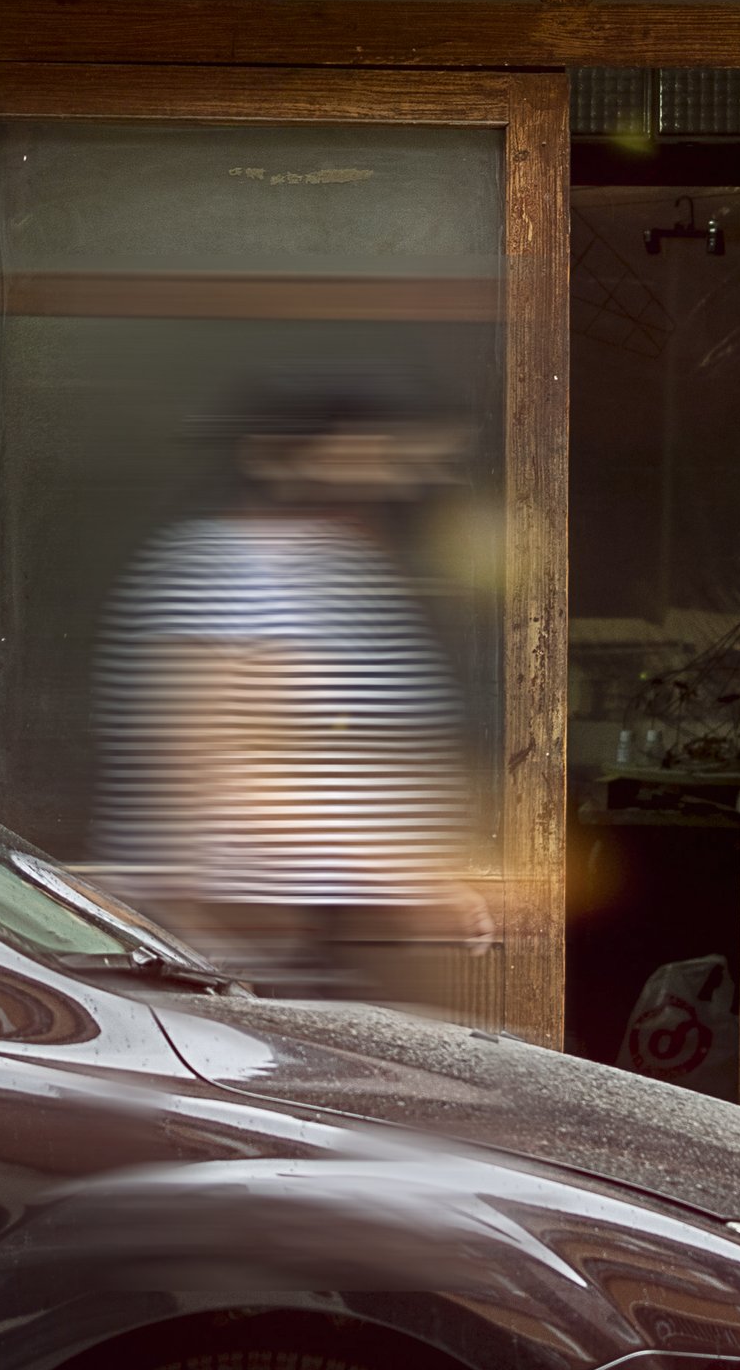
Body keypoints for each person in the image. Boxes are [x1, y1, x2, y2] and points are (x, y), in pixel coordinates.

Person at [96, 387, 498, 990]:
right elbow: (211, 766)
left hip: (302, 941)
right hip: (221, 950)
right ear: (287, 458)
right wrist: (401, 875)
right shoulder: (226, 569)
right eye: (385, 458)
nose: (410, 482)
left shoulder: (335, 572)